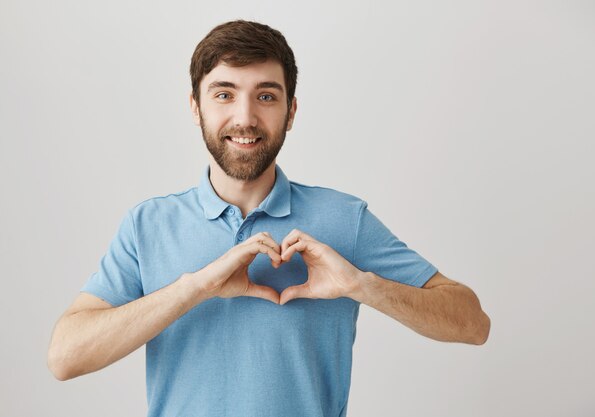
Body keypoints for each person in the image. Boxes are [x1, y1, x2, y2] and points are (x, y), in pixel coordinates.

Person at [48, 19, 490, 417]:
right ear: (195, 107)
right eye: (224, 94)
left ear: (291, 111)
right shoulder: (147, 225)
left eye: (265, 96)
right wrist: (194, 288)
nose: (245, 118)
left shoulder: (345, 219)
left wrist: (362, 285)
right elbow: (65, 356)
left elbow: (472, 324)